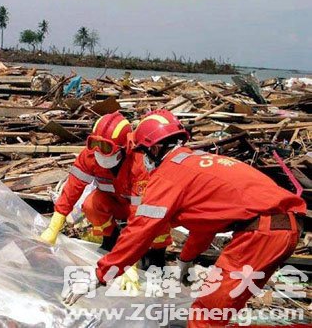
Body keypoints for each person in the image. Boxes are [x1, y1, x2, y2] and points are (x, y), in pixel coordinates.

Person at [63, 110, 306, 327]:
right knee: (222, 307)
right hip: (285, 230)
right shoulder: (196, 164)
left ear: (155, 149)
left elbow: (140, 231)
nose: (141, 159)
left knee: (205, 315)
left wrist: (99, 276)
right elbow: (205, 227)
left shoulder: (168, 175)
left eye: (142, 152)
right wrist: (185, 262)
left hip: (262, 234)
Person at [40, 111, 171, 291]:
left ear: (124, 146)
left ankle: (156, 257)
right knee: (91, 204)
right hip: (115, 203)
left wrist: (128, 263)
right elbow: (72, 190)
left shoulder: (139, 163)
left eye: (106, 147)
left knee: (157, 221)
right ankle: (110, 241)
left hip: (143, 210)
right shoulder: (90, 156)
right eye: (94, 144)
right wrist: (53, 227)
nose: (99, 152)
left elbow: (139, 215)